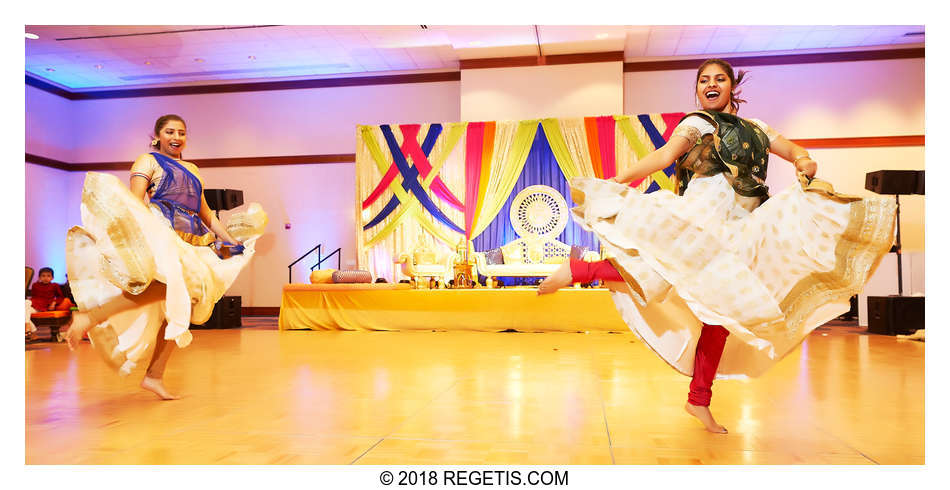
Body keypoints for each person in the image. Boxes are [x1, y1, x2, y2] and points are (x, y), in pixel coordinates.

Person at [539, 59, 896, 433]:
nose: (711, 84)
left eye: (719, 79)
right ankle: (578, 270)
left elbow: (792, 150)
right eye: (704, 80)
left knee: (722, 315)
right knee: (657, 272)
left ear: (731, 87)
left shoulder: (757, 129)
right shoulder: (697, 123)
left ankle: (699, 400)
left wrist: (804, 159)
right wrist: (618, 179)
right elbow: (664, 156)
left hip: (743, 224)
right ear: (697, 90)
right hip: (704, 211)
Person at [64, 114, 267, 400]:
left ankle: (154, 376)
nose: (176, 137)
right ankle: (91, 318)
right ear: (157, 135)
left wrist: (232, 241)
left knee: (184, 303)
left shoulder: (194, 169)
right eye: (170, 131)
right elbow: (134, 204)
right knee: (176, 290)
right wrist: (136, 239)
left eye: (181, 132)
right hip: (161, 232)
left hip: (191, 239)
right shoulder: (147, 161)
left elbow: (206, 213)